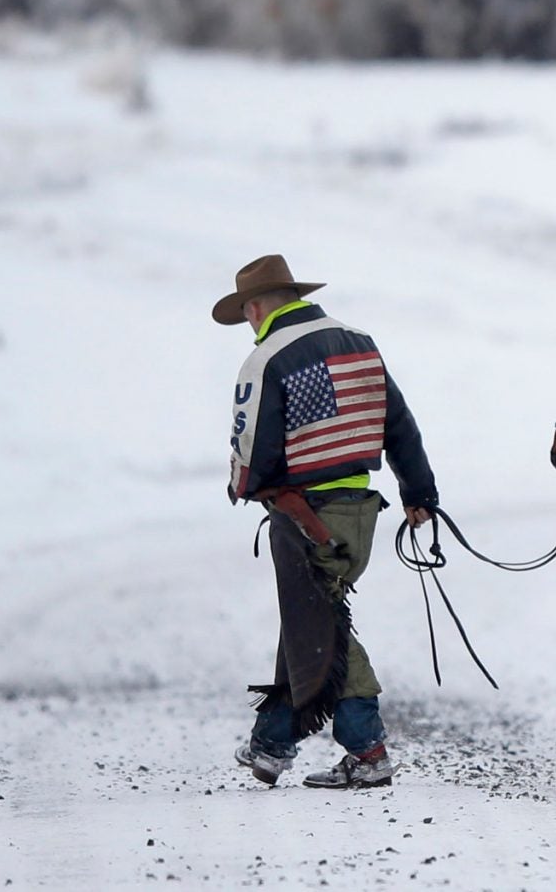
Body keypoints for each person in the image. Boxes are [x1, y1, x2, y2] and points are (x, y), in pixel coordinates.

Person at [217, 254, 437, 790]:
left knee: (327, 630)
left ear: (255, 306)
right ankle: (271, 745)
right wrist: (419, 491)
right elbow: (399, 422)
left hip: (306, 515)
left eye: (246, 313)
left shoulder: (267, 358)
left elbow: (253, 446)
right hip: (360, 509)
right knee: (310, 619)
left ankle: (368, 750)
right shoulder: (360, 341)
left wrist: (243, 485)